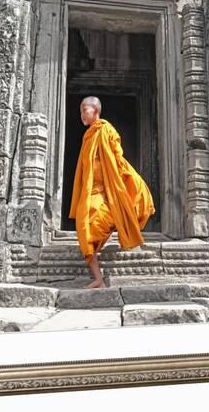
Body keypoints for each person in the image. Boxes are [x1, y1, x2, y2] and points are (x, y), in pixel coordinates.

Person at [68, 96, 155, 289]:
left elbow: (117, 156)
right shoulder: (88, 135)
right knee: (84, 230)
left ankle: (122, 219)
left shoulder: (106, 129)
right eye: (81, 110)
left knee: (94, 225)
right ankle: (98, 278)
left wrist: (128, 177)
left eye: (85, 109)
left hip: (108, 192)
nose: (82, 114)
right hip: (92, 192)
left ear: (96, 110)